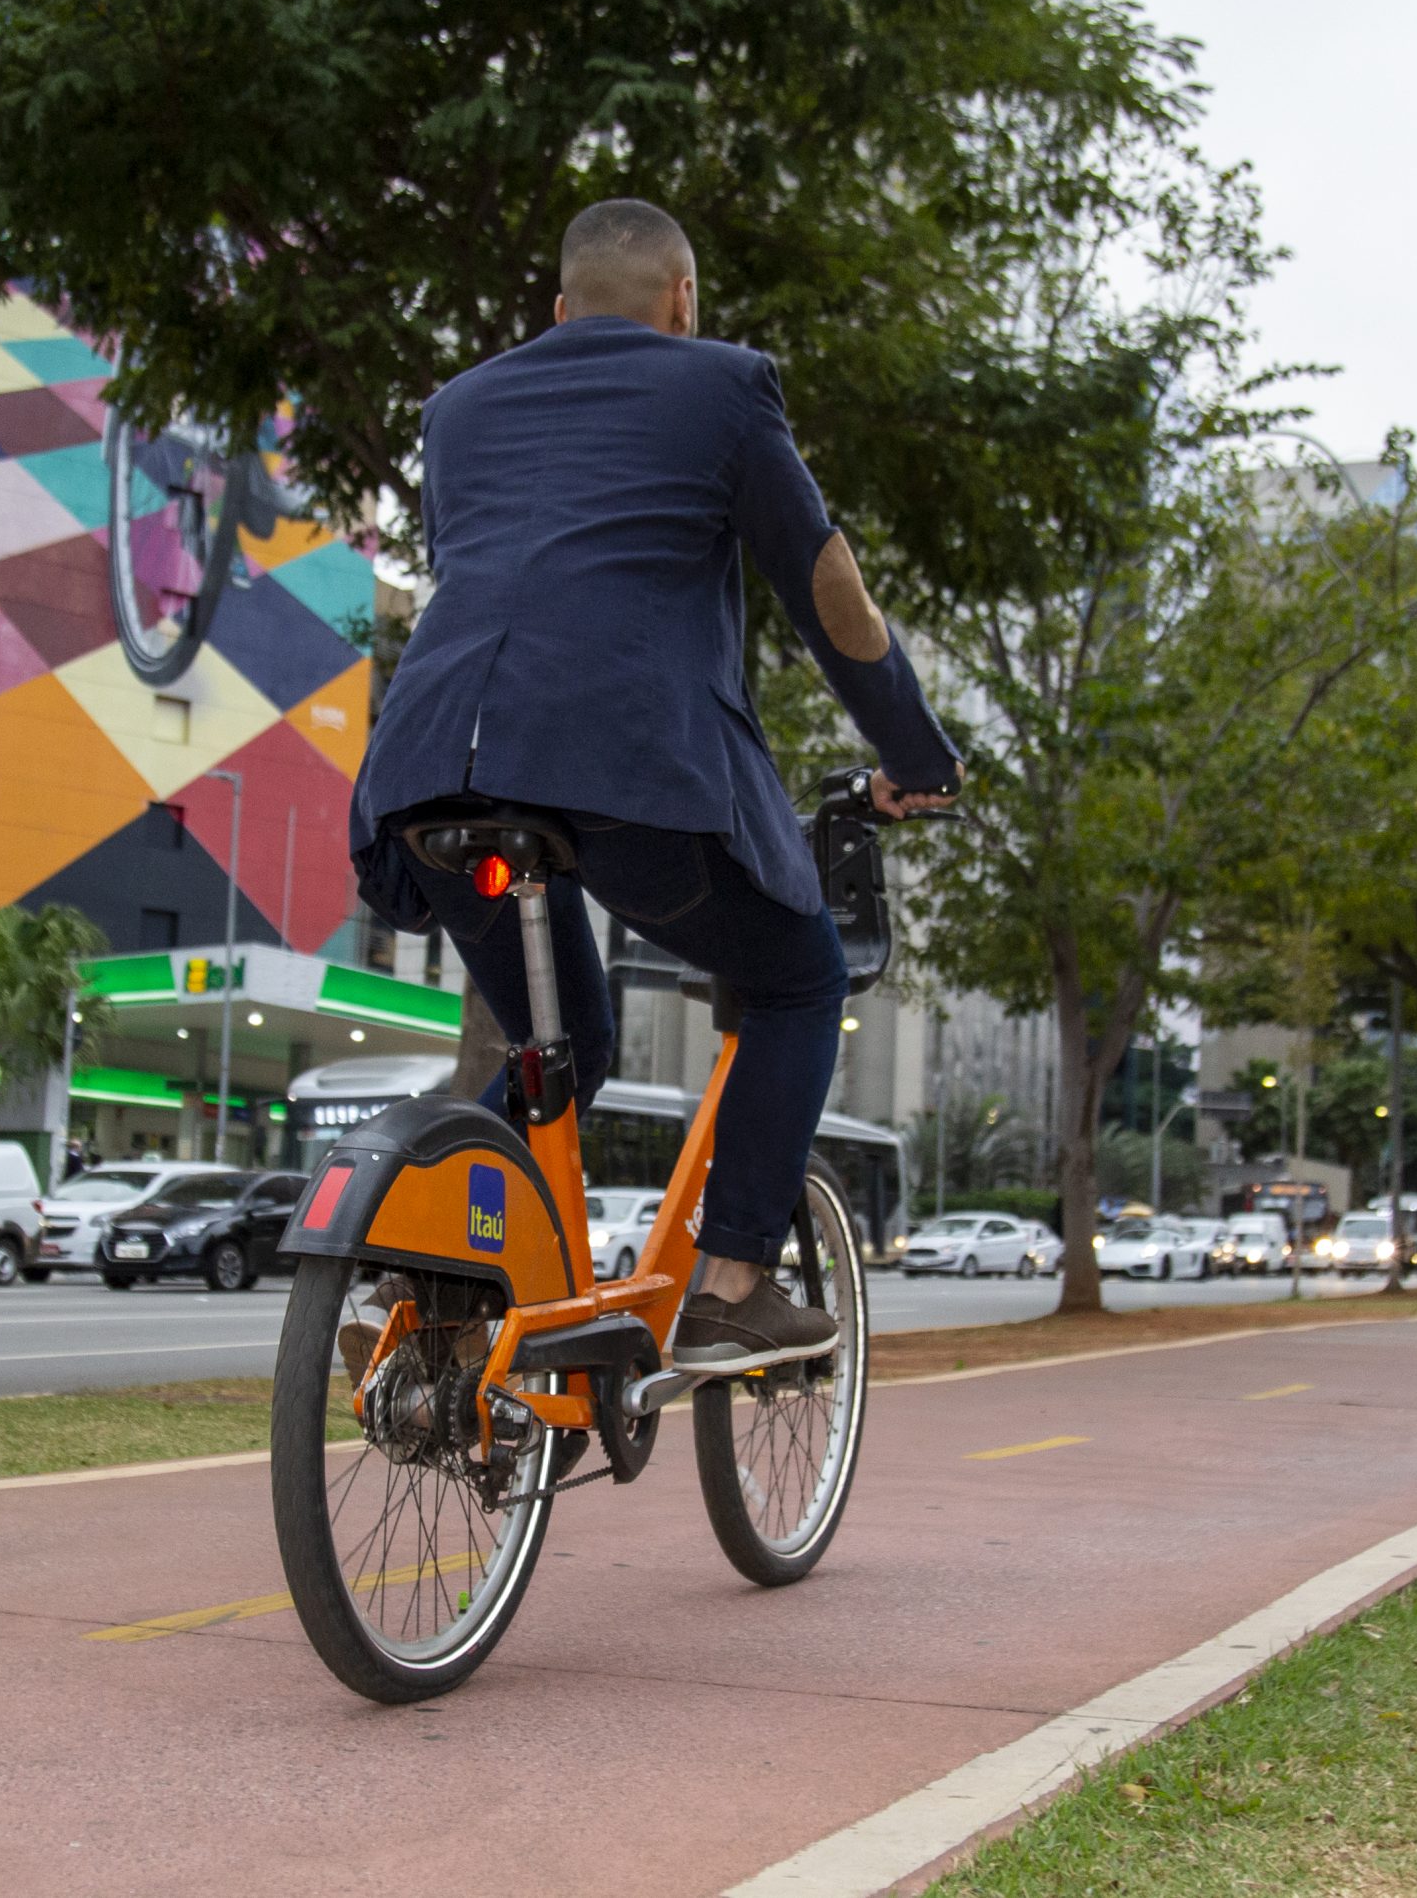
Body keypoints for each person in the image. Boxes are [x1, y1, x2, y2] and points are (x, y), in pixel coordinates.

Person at [351, 199, 961, 1375]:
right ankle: (733, 1281)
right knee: (796, 975)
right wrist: (918, 757)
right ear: (684, 301)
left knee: (562, 1043)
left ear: (557, 309)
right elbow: (827, 593)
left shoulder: (458, 408)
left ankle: (432, 1275)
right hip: (623, 767)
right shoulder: (726, 389)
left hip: (431, 767)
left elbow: (497, 582)